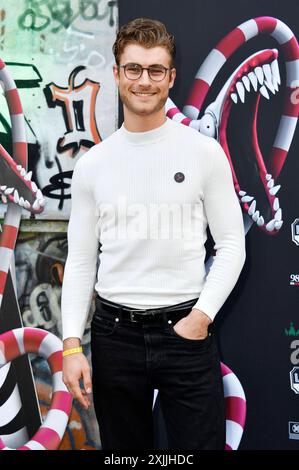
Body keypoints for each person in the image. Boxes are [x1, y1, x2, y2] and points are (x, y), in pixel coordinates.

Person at [61, 17, 246, 450]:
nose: (144, 81)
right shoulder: (93, 165)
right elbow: (82, 260)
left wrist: (200, 319)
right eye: (134, 69)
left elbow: (232, 246)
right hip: (113, 337)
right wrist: (72, 346)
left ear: (171, 77)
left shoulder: (204, 153)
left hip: (186, 331)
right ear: (117, 74)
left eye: (156, 70)